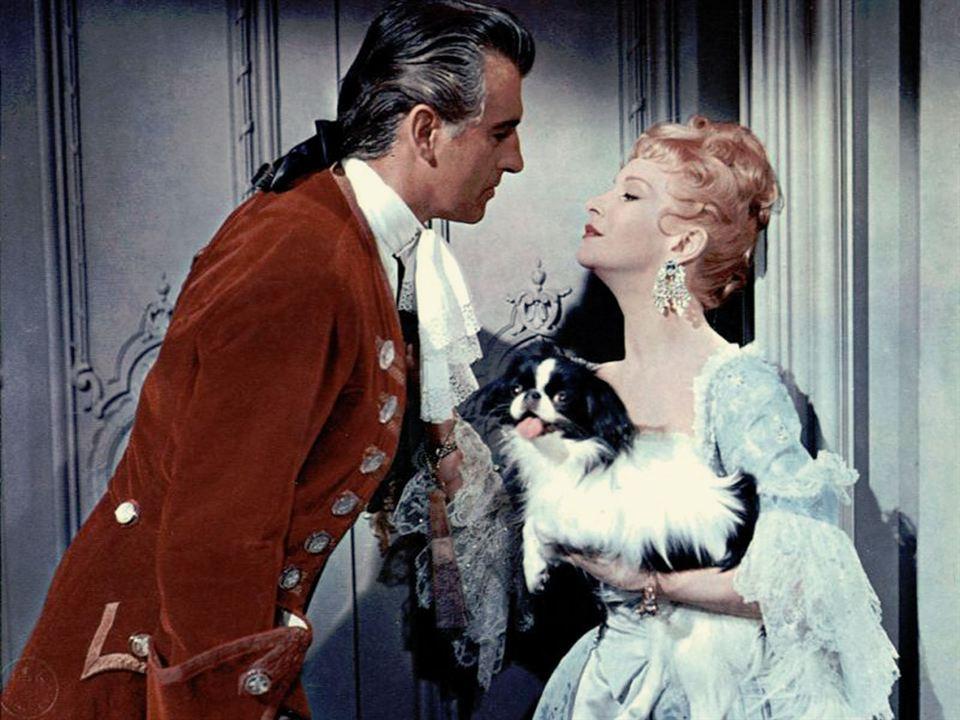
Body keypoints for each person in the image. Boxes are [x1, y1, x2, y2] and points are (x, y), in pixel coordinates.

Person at [0, 2, 533, 719]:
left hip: (199, 653)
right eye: (501, 132)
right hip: (148, 670)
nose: (515, 159)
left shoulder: (349, 234)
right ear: (425, 130)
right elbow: (217, 540)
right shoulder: (305, 255)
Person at [532, 116, 899, 719]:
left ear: (683, 244)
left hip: (714, 688)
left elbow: (803, 581)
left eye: (630, 195)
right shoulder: (585, 389)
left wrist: (649, 582)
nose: (596, 203)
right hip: (606, 681)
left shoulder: (735, 386)